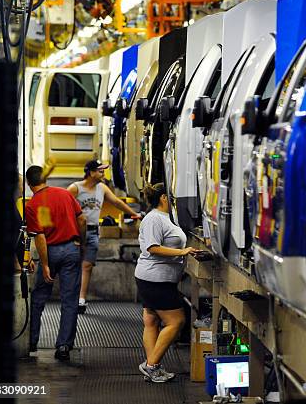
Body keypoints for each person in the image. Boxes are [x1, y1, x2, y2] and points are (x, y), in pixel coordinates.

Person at [135, 183, 197, 383]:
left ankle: (153, 366)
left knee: (151, 320)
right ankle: (151, 365)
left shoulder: (165, 218)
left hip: (157, 278)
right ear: (163, 198)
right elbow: (153, 247)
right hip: (155, 278)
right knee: (176, 321)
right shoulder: (154, 218)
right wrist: (182, 251)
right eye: (172, 197)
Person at [25, 165, 86, 361]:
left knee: (38, 298)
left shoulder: (32, 205)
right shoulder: (65, 194)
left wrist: (44, 264)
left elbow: (40, 237)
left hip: (49, 251)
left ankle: (31, 342)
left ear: (28, 183)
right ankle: (63, 347)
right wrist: (80, 242)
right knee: (69, 300)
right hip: (71, 250)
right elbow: (82, 219)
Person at [68, 160, 141, 314]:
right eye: (100, 171)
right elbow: (63, 207)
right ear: (91, 172)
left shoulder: (101, 188)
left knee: (87, 266)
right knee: (73, 265)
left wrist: (134, 214)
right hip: (75, 232)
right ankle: (71, 298)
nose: (103, 173)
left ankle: (81, 300)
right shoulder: (75, 188)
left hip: (93, 232)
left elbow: (116, 202)